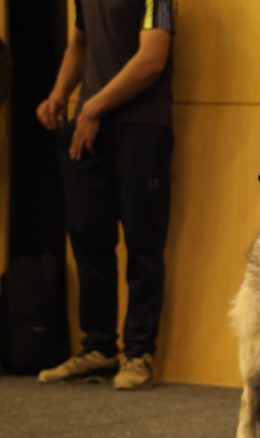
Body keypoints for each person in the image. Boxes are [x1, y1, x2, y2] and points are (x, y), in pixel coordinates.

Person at [36, 0, 174, 389]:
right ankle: (98, 348)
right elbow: (79, 43)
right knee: (87, 234)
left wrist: (93, 108)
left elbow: (152, 59)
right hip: (89, 124)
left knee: (143, 243)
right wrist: (60, 93)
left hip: (141, 126)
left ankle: (138, 352)